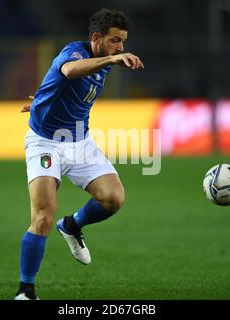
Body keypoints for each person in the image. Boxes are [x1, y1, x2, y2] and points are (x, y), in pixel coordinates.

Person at [14, 8, 144, 300]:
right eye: (114, 41)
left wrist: (43, 97)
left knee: (114, 198)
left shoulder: (106, 60)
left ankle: (72, 225)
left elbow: (62, 83)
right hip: (45, 142)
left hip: (79, 141)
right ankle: (26, 291)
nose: (120, 48)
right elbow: (69, 70)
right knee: (43, 217)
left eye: (122, 42)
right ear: (96, 39)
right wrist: (112, 58)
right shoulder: (74, 52)